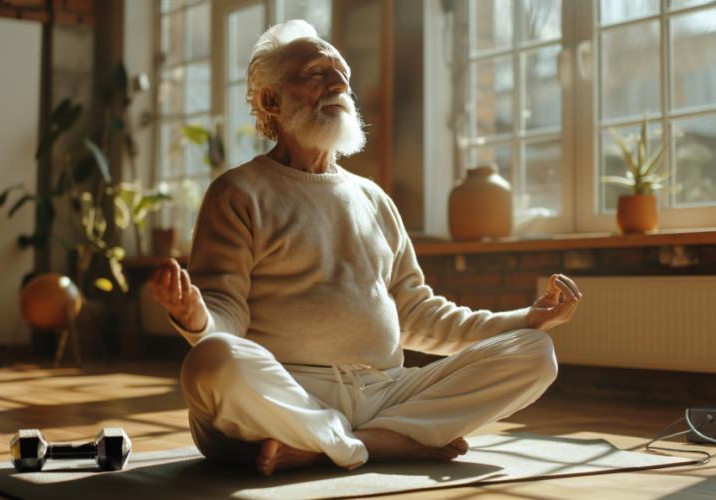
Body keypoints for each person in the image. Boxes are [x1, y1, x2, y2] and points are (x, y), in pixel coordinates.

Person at [149, 20, 582, 477]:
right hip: (288, 392)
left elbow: (417, 315)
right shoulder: (238, 191)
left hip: (386, 391)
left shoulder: (375, 199)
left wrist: (526, 320)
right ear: (270, 99)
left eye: (343, 76)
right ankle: (386, 441)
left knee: (535, 353)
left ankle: (338, 445)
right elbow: (224, 317)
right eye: (317, 73)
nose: (338, 84)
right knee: (210, 363)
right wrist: (194, 316)